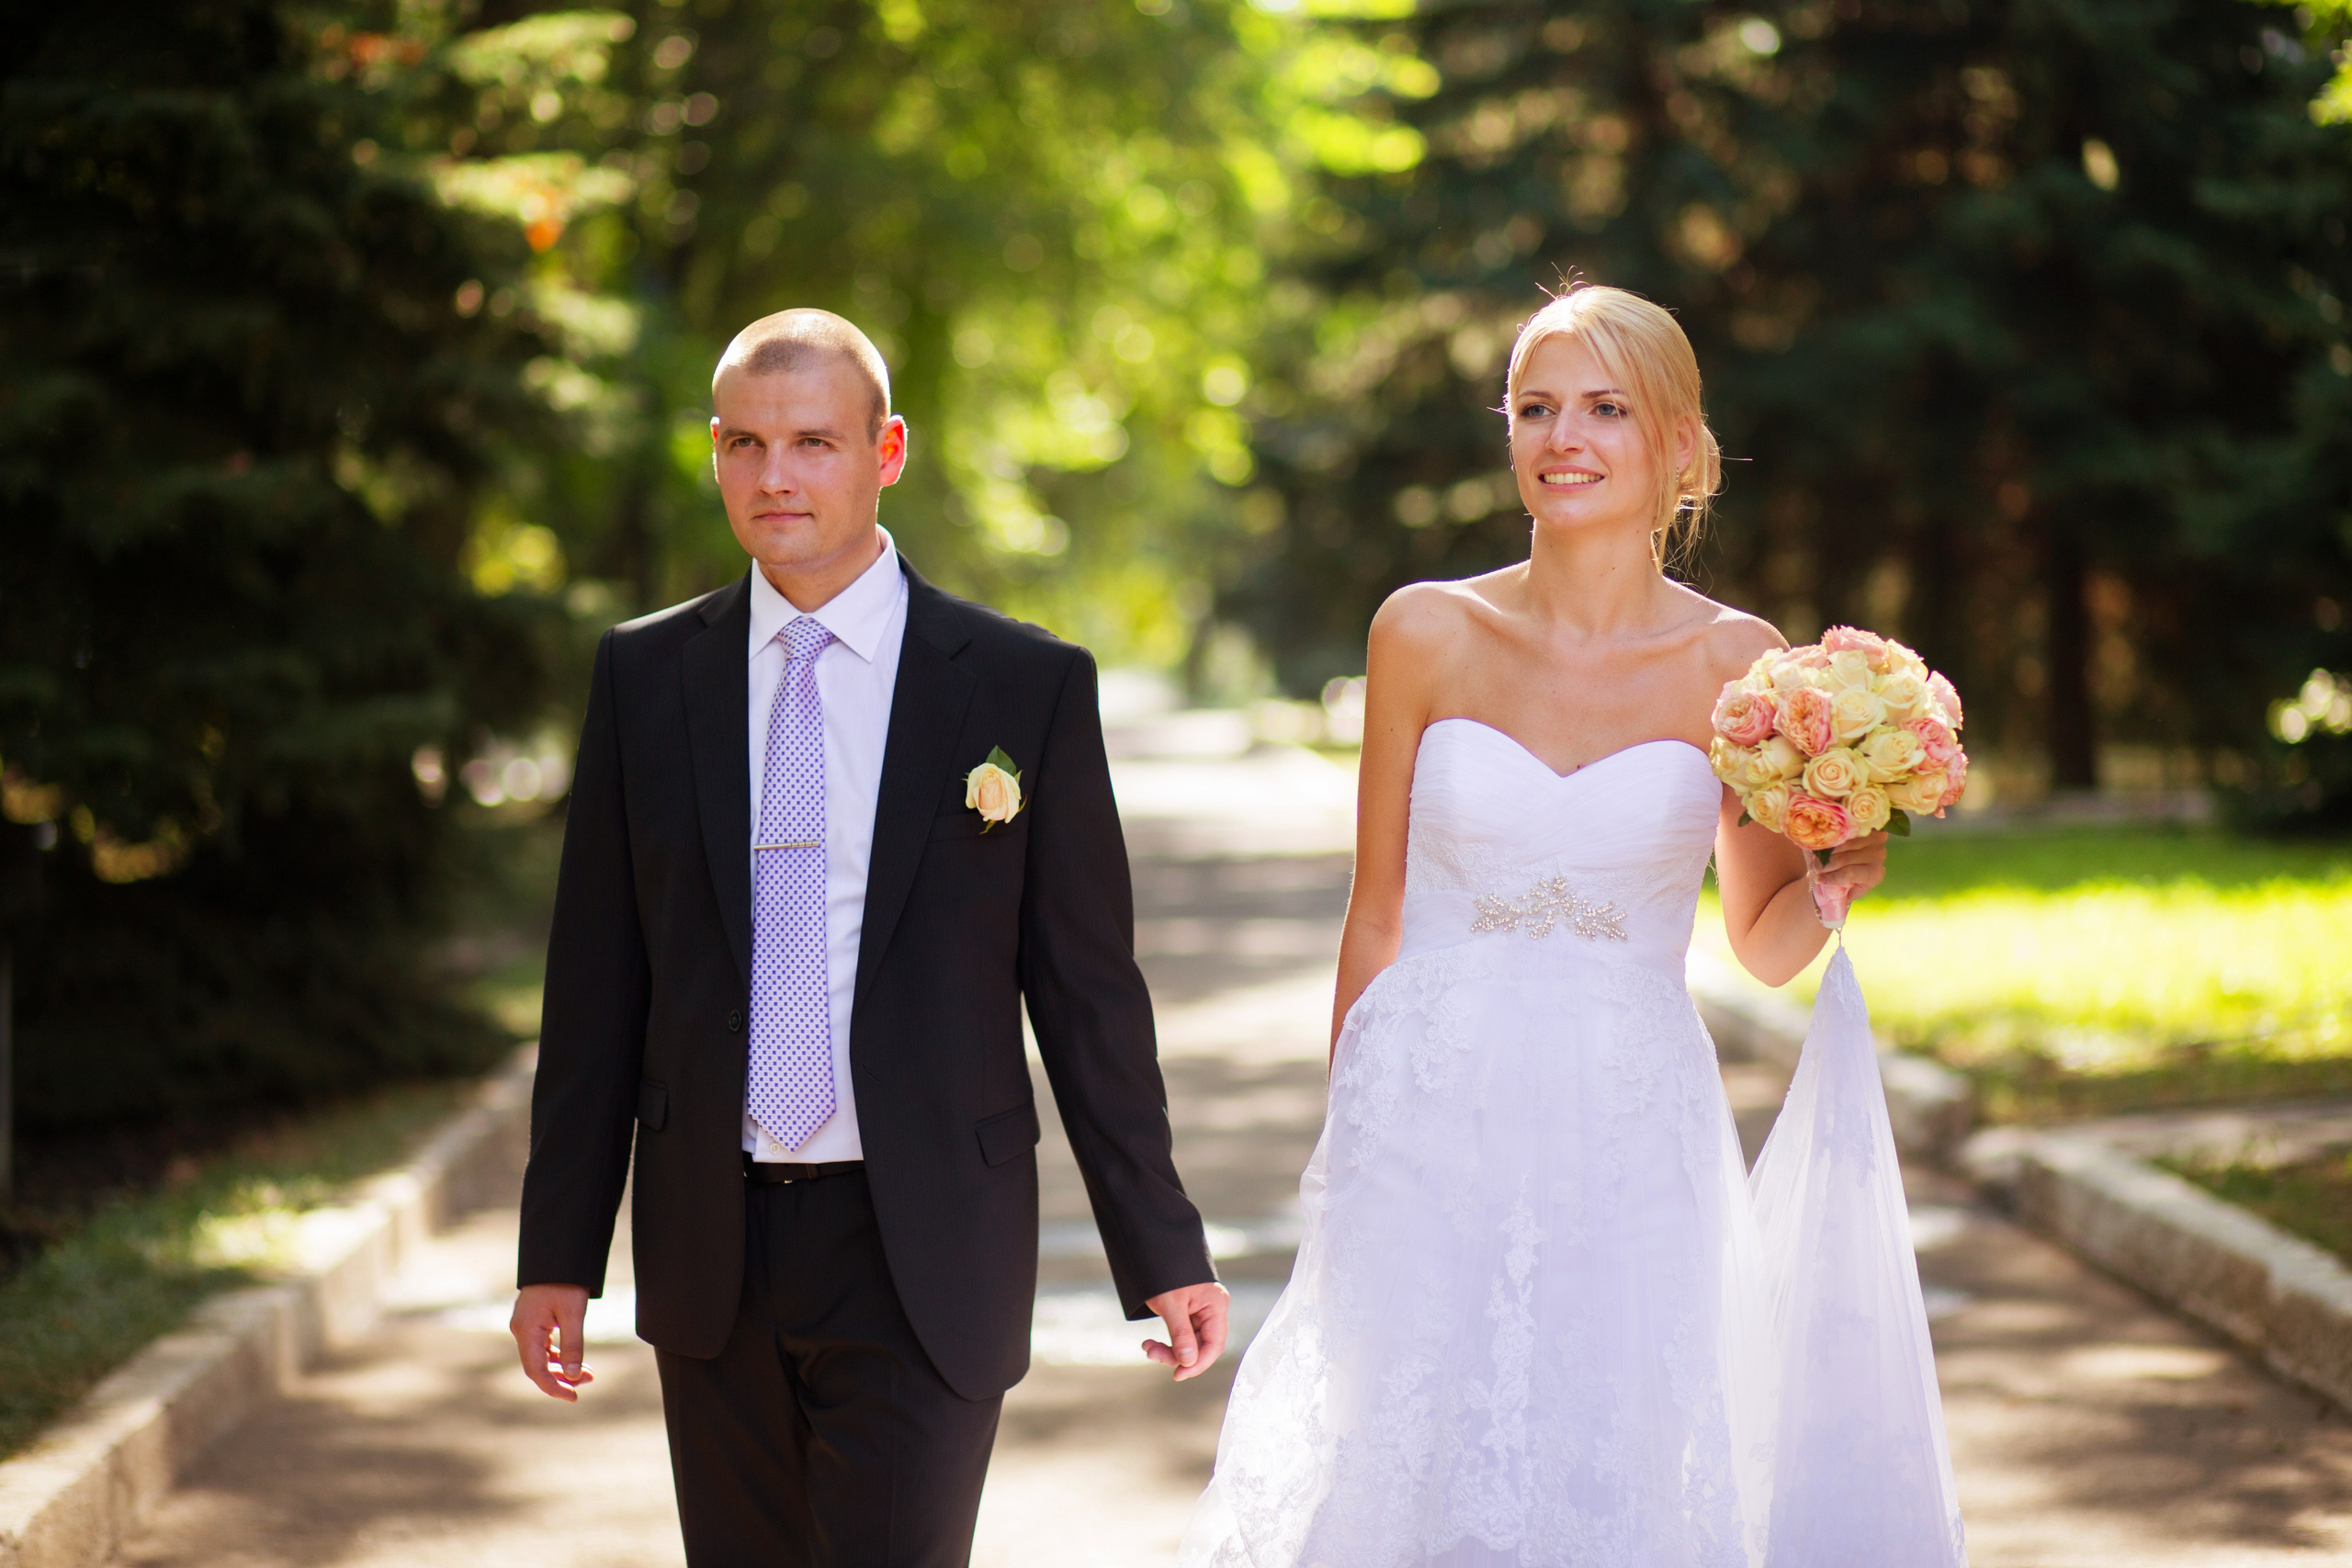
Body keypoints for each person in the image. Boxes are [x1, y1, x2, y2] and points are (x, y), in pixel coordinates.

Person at [1180, 285, 1966, 1567]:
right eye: (1536, 408)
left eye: (1606, 409)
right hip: (1432, 1119)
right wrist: (1350, 1150)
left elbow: (1761, 938)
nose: (1564, 437)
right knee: (1414, 1454)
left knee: (1621, 1458)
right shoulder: (1423, 630)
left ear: (1678, 446)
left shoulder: (1741, 666)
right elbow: (1375, 915)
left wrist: (1833, 881)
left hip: (1632, 1126)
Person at [509, 309, 1229, 1567]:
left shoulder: (1020, 687)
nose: (774, 475)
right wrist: (556, 1254)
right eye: (743, 442)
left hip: (926, 1242)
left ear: (886, 451)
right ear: (716, 455)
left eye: (812, 442)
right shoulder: (645, 678)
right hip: (710, 1243)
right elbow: (595, 991)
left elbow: (1087, 994)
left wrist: (1159, 1246)